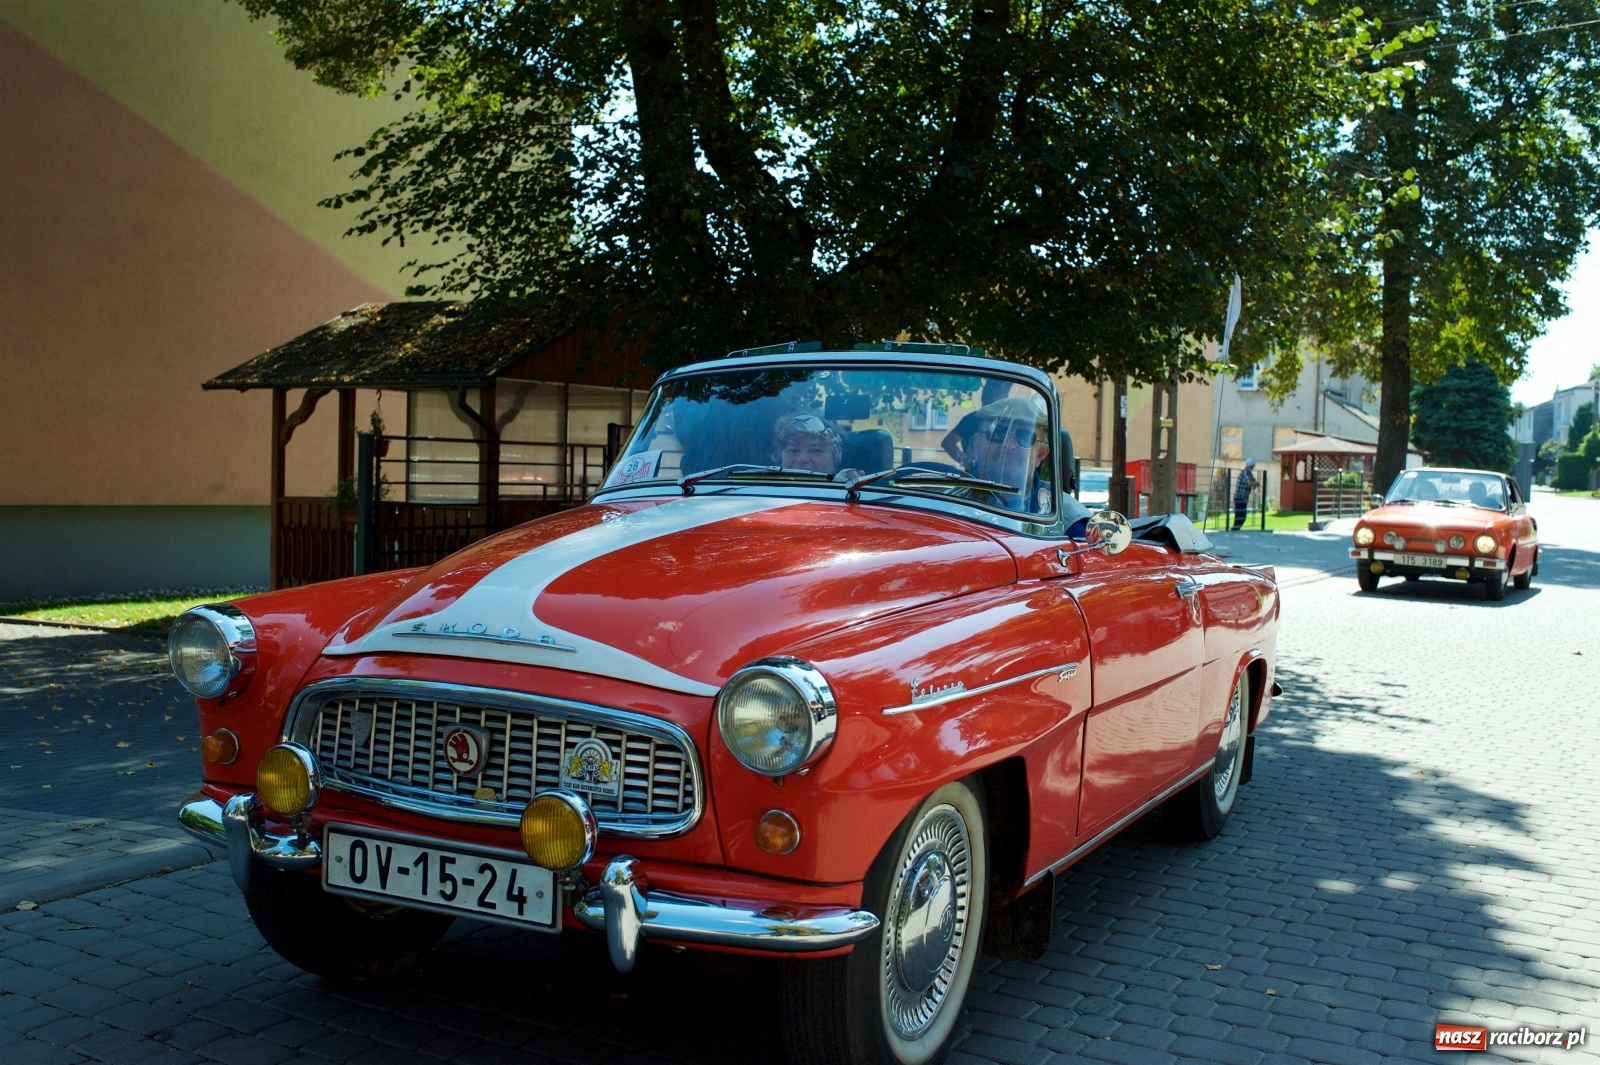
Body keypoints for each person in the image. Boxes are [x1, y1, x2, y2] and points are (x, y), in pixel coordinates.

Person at [959, 396, 1053, 514]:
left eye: (1024, 436)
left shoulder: (1065, 517)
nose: (1008, 445)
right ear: (977, 445)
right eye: (997, 433)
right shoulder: (948, 500)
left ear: (1040, 454)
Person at [773, 413, 843, 475]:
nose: (802, 459)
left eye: (815, 450)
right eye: (793, 450)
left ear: (834, 461)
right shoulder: (765, 487)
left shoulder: (848, 488)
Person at [1232, 458, 1258, 530]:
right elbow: (1249, 483)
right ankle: (1235, 528)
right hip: (1239, 496)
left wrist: (1254, 483)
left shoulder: (1249, 473)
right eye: (1253, 465)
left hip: (1244, 497)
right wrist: (1255, 483)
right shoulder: (1245, 473)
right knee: (1240, 514)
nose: (1254, 467)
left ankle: (1236, 528)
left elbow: (1254, 483)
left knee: (1242, 514)